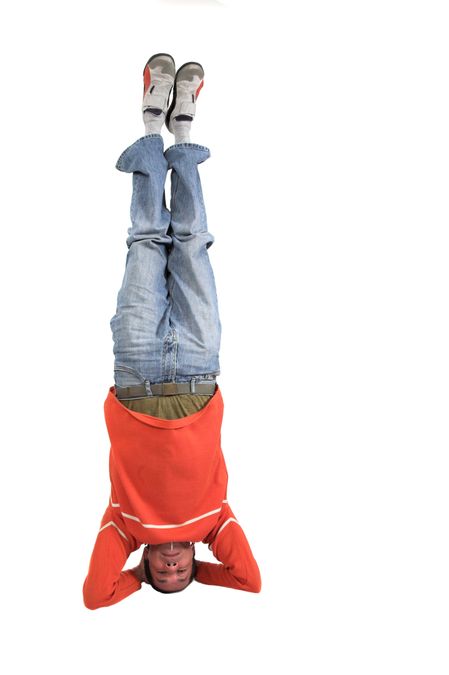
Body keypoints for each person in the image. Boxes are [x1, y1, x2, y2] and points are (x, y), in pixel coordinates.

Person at [83, 53, 261, 609]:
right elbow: (250, 580)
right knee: (191, 242)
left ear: (144, 565)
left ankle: (150, 121)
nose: (172, 569)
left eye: (162, 575)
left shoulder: (125, 527)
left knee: (144, 240)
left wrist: (134, 579)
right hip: (198, 369)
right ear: (194, 564)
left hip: (135, 370)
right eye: (179, 576)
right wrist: (206, 571)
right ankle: (183, 127)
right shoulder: (214, 522)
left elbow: (95, 595)